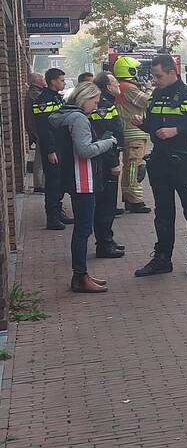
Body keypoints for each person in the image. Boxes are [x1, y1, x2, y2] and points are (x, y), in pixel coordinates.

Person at [132, 54, 187, 278]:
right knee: (163, 213)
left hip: (183, 161)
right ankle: (162, 259)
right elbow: (156, 129)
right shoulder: (156, 96)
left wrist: (176, 131)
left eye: (159, 76)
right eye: (154, 76)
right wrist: (143, 124)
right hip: (160, 160)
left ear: (172, 72)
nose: (155, 80)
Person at [49, 81, 118, 293]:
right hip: (83, 178)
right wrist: (109, 142)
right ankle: (79, 275)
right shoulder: (78, 119)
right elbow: (84, 150)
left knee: (82, 228)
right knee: (83, 229)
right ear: (85, 98)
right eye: (95, 102)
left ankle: (82, 273)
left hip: (72, 176)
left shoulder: (61, 116)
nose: (96, 107)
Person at [90, 72, 127, 258]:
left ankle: (107, 239)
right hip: (106, 162)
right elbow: (107, 137)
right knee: (106, 203)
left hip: (106, 158)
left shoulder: (106, 103)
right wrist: (113, 163)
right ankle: (104, 244)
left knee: (108, 204)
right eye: (114, 82)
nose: (118, 85)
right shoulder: (103, 107)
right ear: (107, 86)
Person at [33, 67, 73, 230]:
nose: (64, 83)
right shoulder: (44, 101)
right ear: (53, 81)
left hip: (60, 146)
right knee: (53, 183)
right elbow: (44, 128)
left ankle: (58, 212)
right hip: (53, 148)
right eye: (62, 80)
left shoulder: (56, 98)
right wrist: (50, 150)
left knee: (61, 181)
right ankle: (52, 217)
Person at [113, 56, 152, 214]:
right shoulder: (128, 87)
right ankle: (135, 201)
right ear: (130, 70)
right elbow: (148, 102)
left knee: (131, 166)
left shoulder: (122, 86)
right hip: (134, 132)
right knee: (135, 167)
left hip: (129, 132)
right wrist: (149, 88)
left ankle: (129, 197)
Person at [24, 72, 46, 194]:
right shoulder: (34, 94)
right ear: (36, 81)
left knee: (41, 157)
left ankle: (40, 183)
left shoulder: (35, 92)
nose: (44, 80)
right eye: (42, 78)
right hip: (38, 130)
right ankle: (38, 185)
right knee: (40, 159)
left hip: (36, 130)